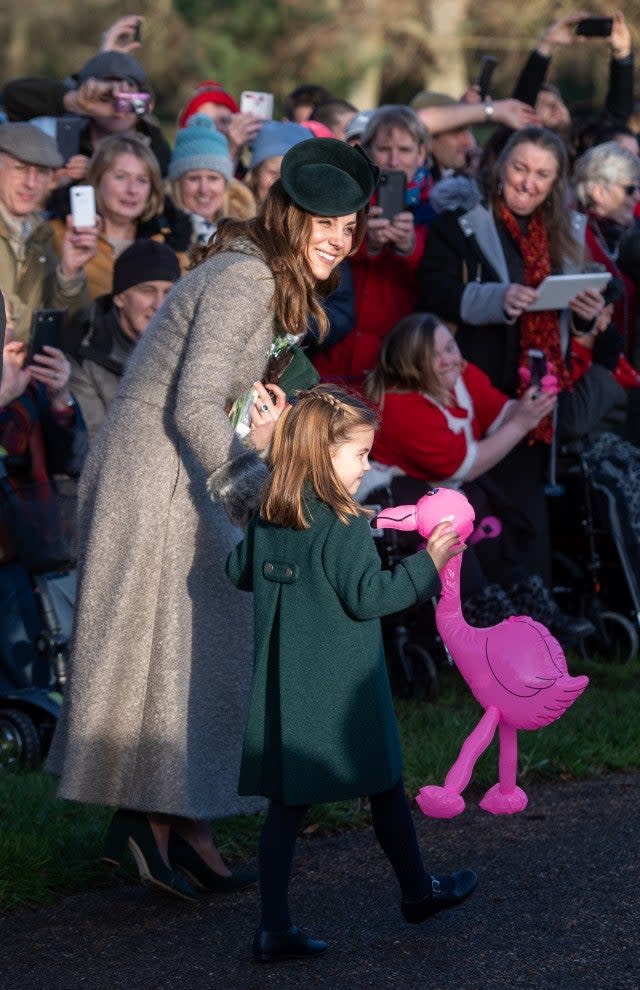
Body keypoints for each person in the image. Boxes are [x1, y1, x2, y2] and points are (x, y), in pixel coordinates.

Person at [46, 138, 379, 904]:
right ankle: (149, 824)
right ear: (290, 216)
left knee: (201, 648)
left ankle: (181, 827)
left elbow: (266, 388)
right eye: (325, 221)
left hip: (178, 465)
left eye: (351, 225)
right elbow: (198, 402)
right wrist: (257, 494)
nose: (339, 237)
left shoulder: (266, 277)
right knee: (169, 650)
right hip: (156, 469)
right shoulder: (247, 278)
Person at [226, 384, 477, 963]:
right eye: (360, 454)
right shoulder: (341, 526)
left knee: (287, 809)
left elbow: (238, 570)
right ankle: (417, 892)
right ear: (321, 454)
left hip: (286, 694)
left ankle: (274, 926)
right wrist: (430, 562)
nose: (367, 467)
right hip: (343, 693)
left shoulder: (272, 512)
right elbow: (370, 598)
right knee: (385, 783)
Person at [419, 126, 604, 587]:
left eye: (542, 174)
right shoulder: (458, 222)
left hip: (537, 395)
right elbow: (434, 293)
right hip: (474, 389)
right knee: (479, 513)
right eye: (520, 168)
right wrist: (496, 299)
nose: (528, 183)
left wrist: (584, 316)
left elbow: (589, 304)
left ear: (556, 182)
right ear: (500, 167)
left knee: (527, 511)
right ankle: (483, 618)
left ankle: (534, 621)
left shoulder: (566, 232)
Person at [363, 313, 593, 641]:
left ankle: (533, 615)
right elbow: (462, 466)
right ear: (411, 364)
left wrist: (532, 401)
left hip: (444, 491)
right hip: (399, 493)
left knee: (492, 530)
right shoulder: (399, 405)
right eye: (435, 355)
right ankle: (488, 625)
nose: (449, 360)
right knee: (461, 532)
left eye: (450, 348)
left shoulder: (460, 374)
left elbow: (499, 414)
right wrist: (522, 422)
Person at [313, 105, 430, 385]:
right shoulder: (342, 200)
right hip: (332, 352)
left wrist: (410, 249)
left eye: (404, 150)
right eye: (383, 148)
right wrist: (366, 246)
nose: (393, 160)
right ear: (366, 151)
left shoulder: (436, 206)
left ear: (422, 154)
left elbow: (440, 284)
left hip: (396, 365)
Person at [51, 133, 191, 299]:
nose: (132, 190)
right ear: (97, 179)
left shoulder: (170, 242)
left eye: (142, 180)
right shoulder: (59, 236)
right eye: (120, 177)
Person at [67, 240, 181, 440]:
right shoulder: (85, 350)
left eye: (169, 292)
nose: (160, 304)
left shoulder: (188, 347)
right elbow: (91, 444)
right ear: (119, 297)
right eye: (147, 290)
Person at [2, 51, 171, 180]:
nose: (119, 108)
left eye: (128, 99)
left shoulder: (155, 145)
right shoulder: (62, 135)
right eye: (108, 97)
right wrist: (74, 102)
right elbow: (11, 98)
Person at [0, 122, 97, 343]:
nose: (31, 183)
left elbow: (73, 325)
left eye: (42, 172)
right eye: (20, 168)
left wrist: (70, 272)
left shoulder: (41, 234)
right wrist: (46, 336)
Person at [572, 141, 640, 362]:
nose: (637, 197)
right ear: (599, 192)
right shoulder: (576, 239)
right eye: (630, 189)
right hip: (592, 370)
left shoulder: (621, 235)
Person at [168, 115, 255, 247]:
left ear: (226, 183)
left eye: (213, 178)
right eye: (194, 178)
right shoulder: (161, 234)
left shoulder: (247, 232)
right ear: (178, 183)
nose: (204, 189)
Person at [244, 120, 311, 209]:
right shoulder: (236, 218)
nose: (280, 184)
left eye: (291, 176)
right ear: (256, 174)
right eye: (273, 173)